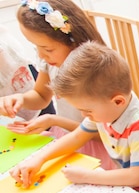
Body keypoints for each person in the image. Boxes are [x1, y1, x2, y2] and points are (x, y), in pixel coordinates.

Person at [9, 41, 139, 193]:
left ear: (118, 101)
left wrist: (86, 176)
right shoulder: (107, 111)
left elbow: (137, 177)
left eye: (87, 110)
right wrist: (39, 159)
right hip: (127, 185)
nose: (83, 115)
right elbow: (77, 137)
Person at [0, 0, 113, 168]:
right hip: (68, 138)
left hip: (98, 148)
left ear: (73, 41)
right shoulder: (51, 62)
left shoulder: (96, 75)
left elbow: (104, 133)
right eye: (36, 47)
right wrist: (21, 98)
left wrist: (54, 120)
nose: (41, 55)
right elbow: (41, 95)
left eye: (47, 49)